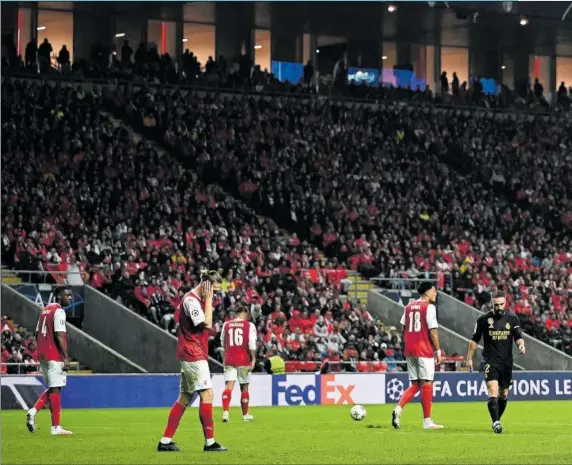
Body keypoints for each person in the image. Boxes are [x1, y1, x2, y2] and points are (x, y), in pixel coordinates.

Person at [157, 270, 227, 452]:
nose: (215, 294)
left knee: (185, 397)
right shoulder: (191, 301)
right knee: (207, 394)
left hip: (194, 352)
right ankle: (210, 443)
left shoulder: (196, 300)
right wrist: (210, 300)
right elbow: (208, 324)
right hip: (192, 353)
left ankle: (165, 441)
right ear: (206, 285)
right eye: (214, 290)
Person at [466, 291, 526, 434]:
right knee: (493, 390)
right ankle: (496, 423)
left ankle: (497, 418)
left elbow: (518, 336)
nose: (498, 307)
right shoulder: (483, 320)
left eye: (501, 304)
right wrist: (469, 358)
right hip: (490, 360)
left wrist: (521, 345)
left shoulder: (512, 318)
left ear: (505, 303)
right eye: (495, 305)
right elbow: (474, 340)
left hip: (506, 362)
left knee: (504, 393)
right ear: (491, 304)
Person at [391, 281, 444, 430]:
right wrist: (438, 351)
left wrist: (407, 345)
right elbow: (433, 331)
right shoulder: (429, 307)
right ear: (426, 292)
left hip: (410, 349)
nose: (436, 293)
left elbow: (403, 328)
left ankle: (398, 409)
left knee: (415, 384)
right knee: (427, 383)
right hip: (423, 349)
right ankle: (427, 421)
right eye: (434, 290)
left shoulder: (408, 307)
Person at [26, 286, 73, 435]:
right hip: (54, 355)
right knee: (56, 389)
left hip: (43, 355)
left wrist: (42, 349)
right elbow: (59, 335)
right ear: (59, 296)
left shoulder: (44, 310)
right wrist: (65, 357)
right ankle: (55, 427)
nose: (70, 298)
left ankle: (34, 412)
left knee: (54, 388)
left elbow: (36, 333)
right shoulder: (59, 311)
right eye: (68, 295)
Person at [220, 306, 257, 423]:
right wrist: (254, 359)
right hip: (244, 361)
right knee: (244, 387)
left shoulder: (226, 325)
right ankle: (245, 415)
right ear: (244, 314)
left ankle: (225, 412)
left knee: (228, 386)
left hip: (229, 360)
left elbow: (223, 342)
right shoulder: (249, 325)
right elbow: (252, 344)